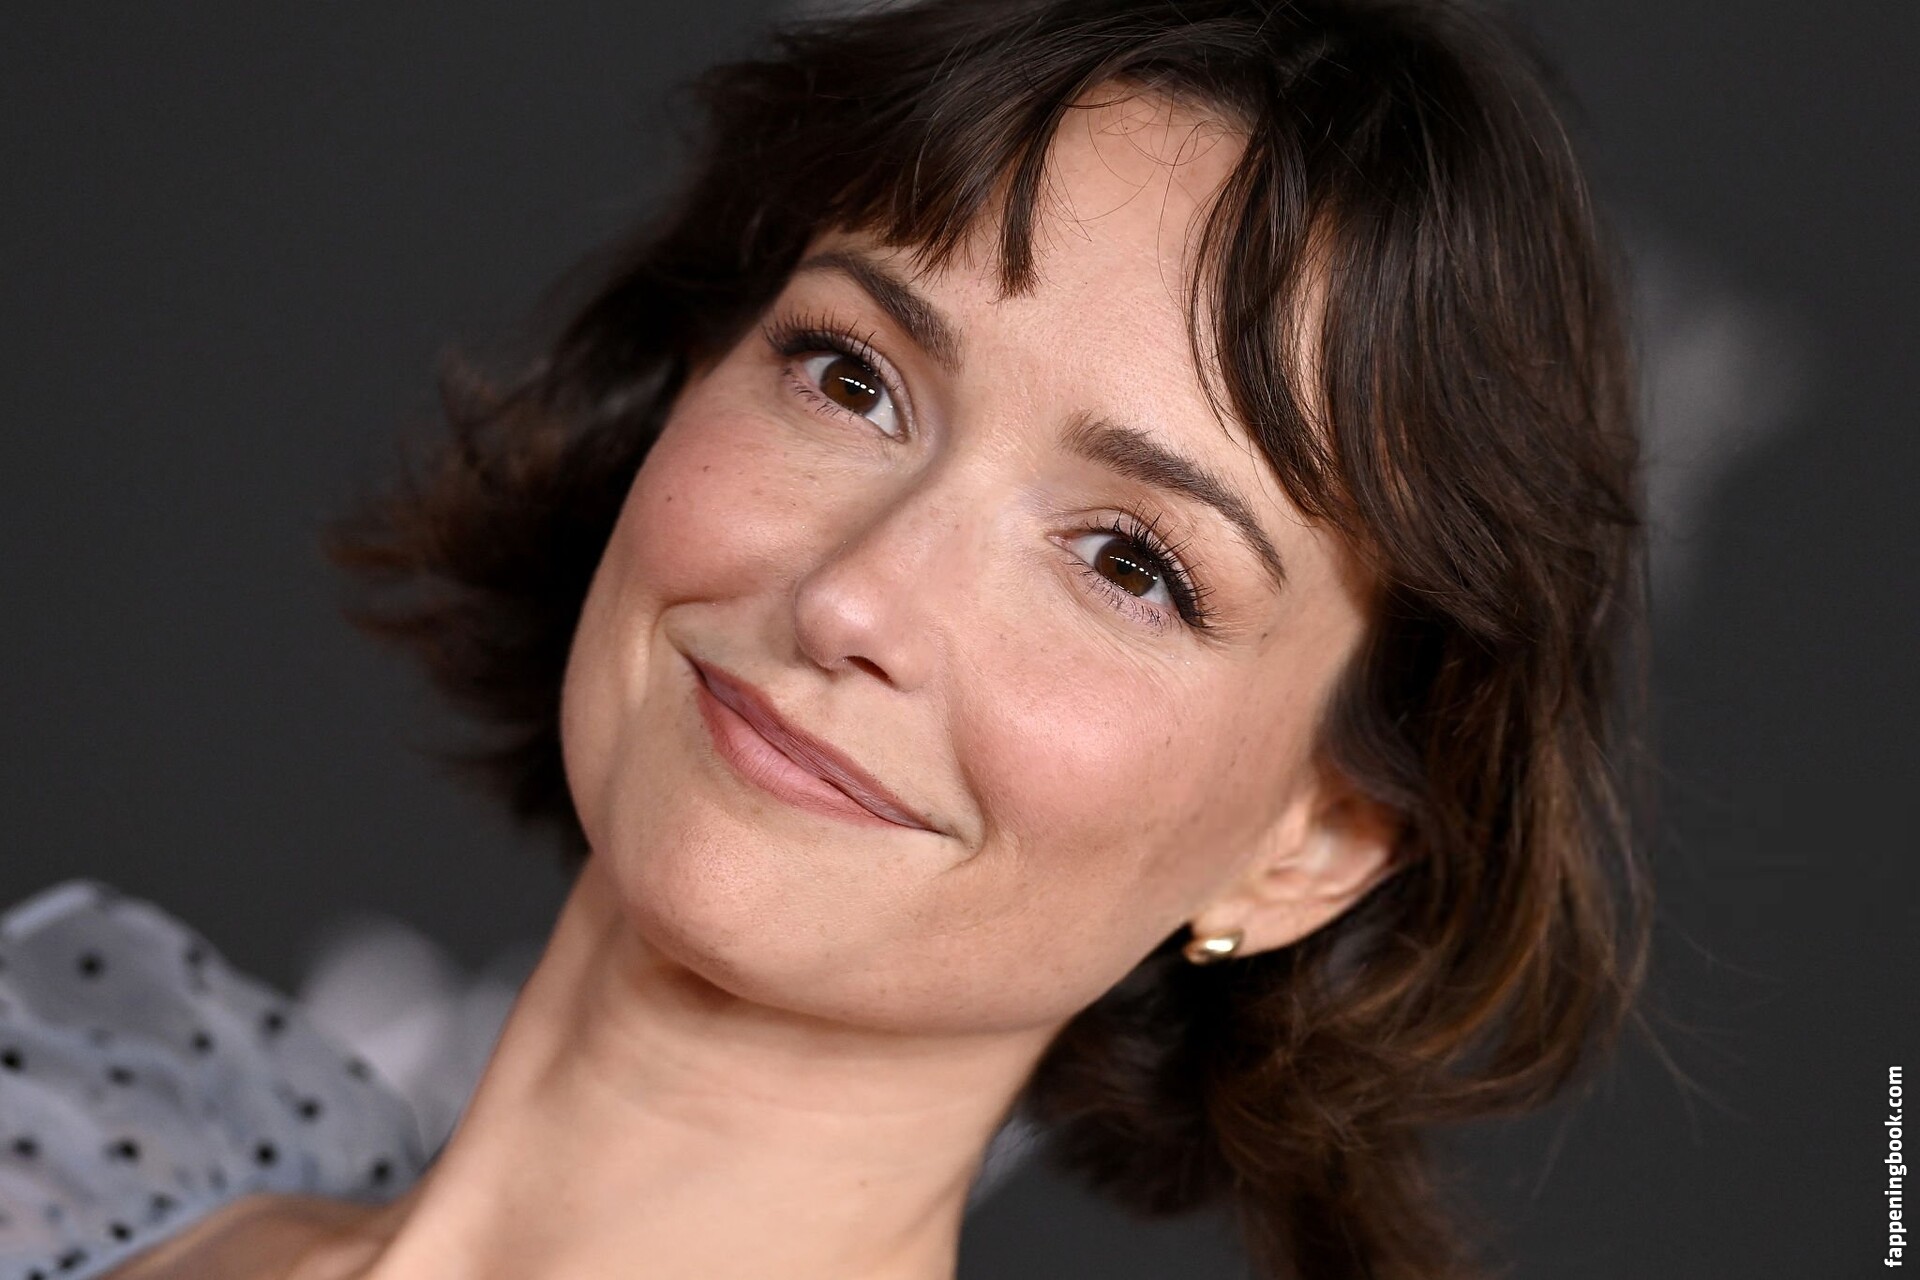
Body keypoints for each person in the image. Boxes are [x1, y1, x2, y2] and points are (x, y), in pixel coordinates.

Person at [0, 0, 1651, 1276]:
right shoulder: (57, 1129)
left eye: (1130, 564)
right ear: (686, 381)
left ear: (1316, 841)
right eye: (852, 380)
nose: (856, 596)